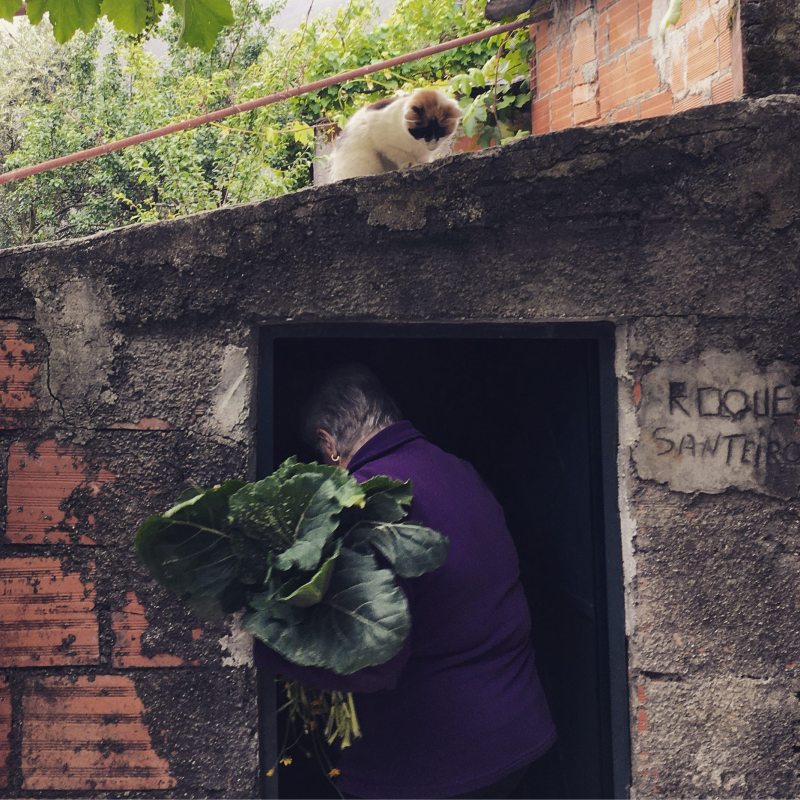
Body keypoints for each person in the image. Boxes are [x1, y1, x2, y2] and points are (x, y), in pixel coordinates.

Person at [253, 364, 557, 799]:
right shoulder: (458, 468)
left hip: (434, 764)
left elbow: (374, 661)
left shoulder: (365, 498)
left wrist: (266, 643)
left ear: (328, 442)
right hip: (515, 730)